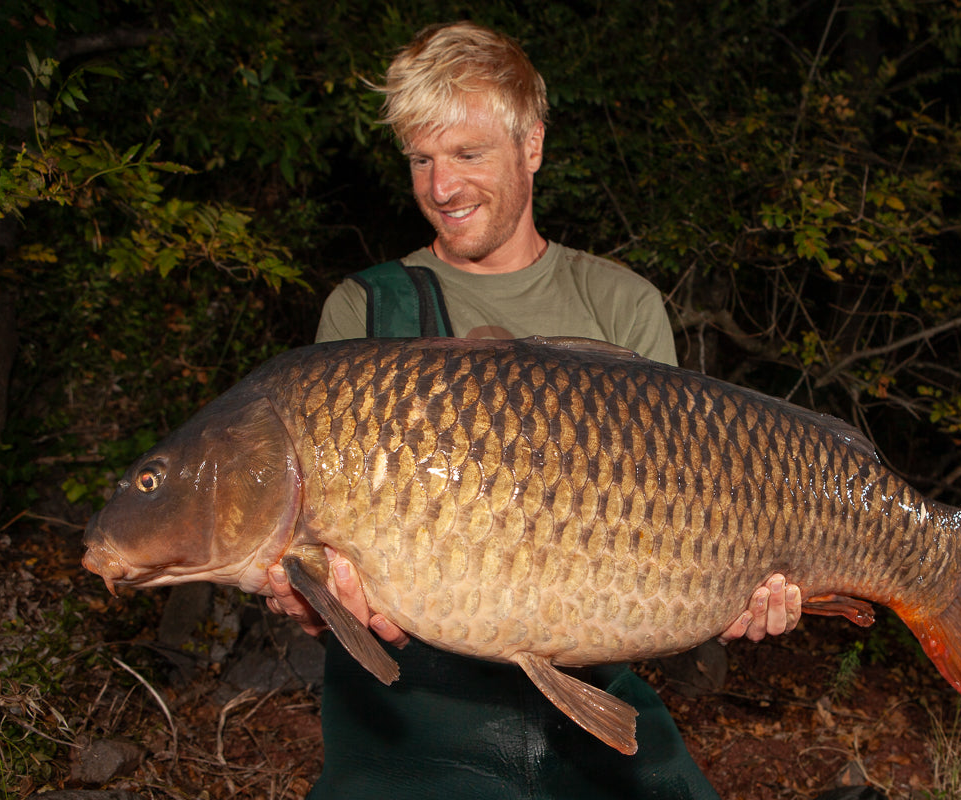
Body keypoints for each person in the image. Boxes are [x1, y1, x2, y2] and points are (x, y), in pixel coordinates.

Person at [266, 21, 801, 798]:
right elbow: (323, 572)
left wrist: (737, 591)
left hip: (585, 696)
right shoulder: (365, 313)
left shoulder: (621, 306)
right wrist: (310, 599)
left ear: (533, 148)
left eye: (468, 155)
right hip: (407, 711)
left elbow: (680, 532)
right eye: (421, 159)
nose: (440, 188)